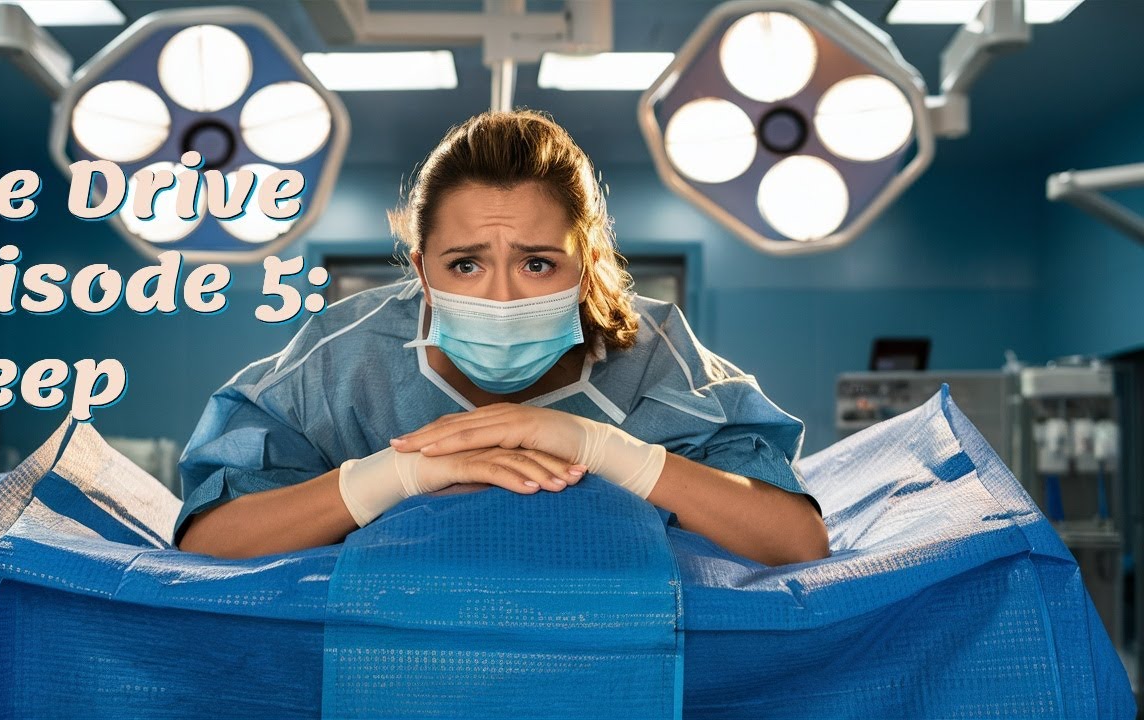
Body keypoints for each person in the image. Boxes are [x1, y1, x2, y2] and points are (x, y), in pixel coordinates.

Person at [175, 109, 829, 566]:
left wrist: (605, 450)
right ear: (422, 274)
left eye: (538, 263)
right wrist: (395, 475)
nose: (503, 297)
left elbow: (797, 543)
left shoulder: (653, 356)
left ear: (585, 268)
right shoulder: (346, 360)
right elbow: (208, 544)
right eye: (466, 264)